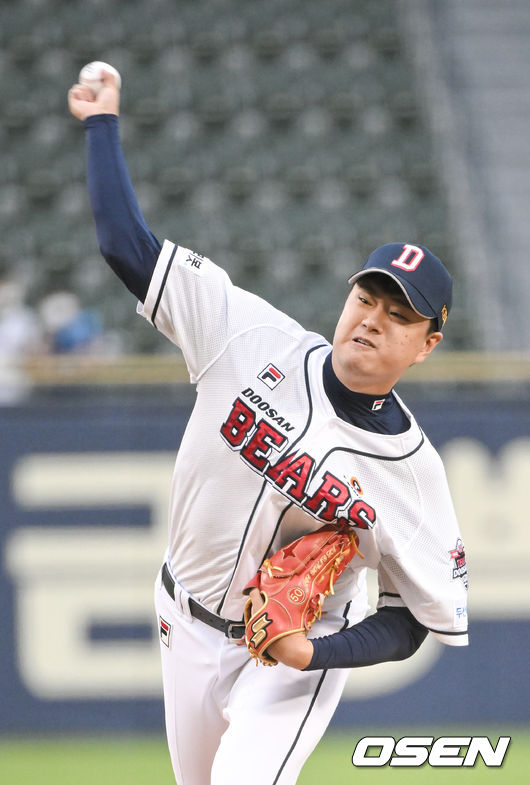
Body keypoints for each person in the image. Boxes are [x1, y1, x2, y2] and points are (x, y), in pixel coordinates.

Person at [68, 72, 468, 785]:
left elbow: (413, 617)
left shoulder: (413, 471)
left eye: (399, 314)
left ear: (427, 343)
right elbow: (127, 246)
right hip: (183, 618)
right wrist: (102, 125)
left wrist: (314, 655)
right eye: (367, 297)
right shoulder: (250, 338)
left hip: (293, 653)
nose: (373, 319)